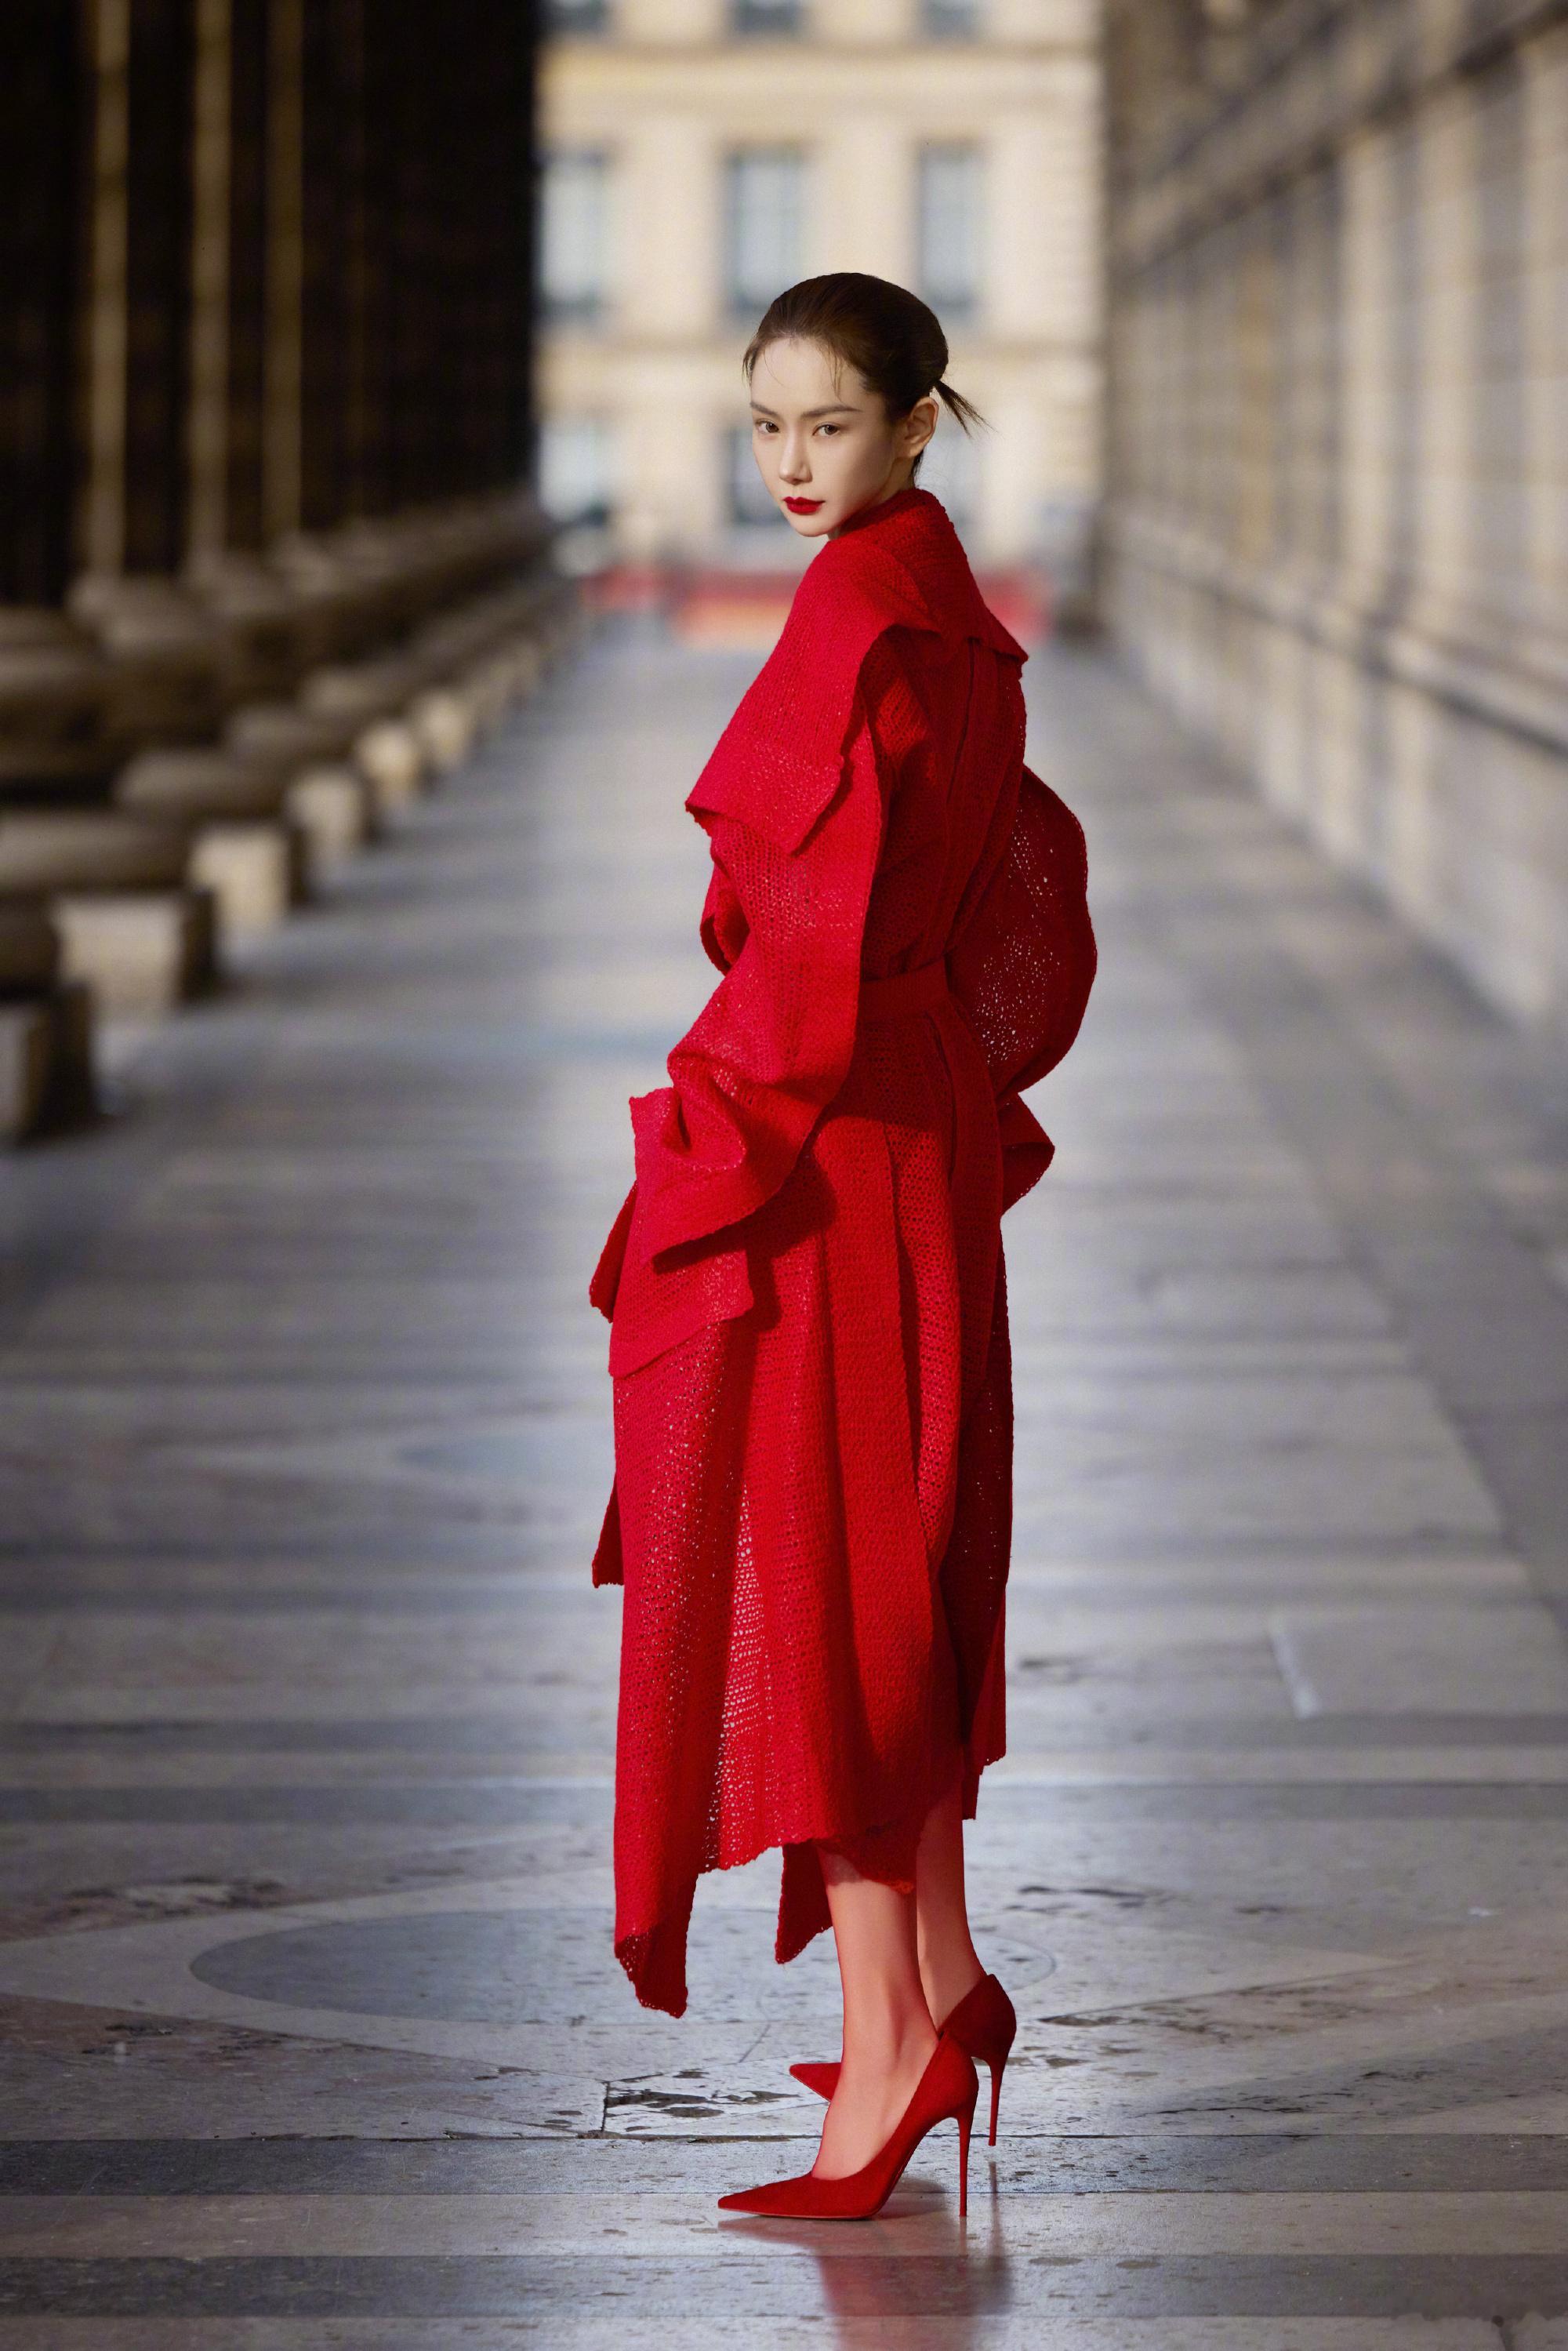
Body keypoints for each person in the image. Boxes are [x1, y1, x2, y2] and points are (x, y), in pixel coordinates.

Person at [588, 271, 1096, 2221]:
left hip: (827, 1134)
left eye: (826, 424)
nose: (790, 462)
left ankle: (891, 2047)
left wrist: (702, 1134)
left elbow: (798, 942)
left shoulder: (852, 618)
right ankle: (938, 1977)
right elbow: (1024, 893)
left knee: (837, 1582)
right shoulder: (955, 612)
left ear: (911, 423)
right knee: (900, 1553)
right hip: (914, 1121)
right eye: (765, 427)